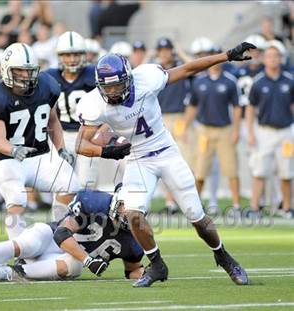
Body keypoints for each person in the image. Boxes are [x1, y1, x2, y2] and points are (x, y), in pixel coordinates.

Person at [75, 42, 256, 287]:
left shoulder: (147, 78)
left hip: (166, 152)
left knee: (197, 218)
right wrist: (106, 151)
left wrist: (226, 56)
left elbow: (188, 68)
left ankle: (223, 257)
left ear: (128, 78)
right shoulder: (94, 103)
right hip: (138, 157)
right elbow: (81, 145)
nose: (114, 91)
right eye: (108, 87)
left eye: (118, 84)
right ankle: (157, 264)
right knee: (132, 215)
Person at [0, 43, 79, 240]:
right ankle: (18, 247)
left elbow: (53, 121)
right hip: (5, 159)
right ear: (6, 70)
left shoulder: (47, 86)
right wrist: (14, 150)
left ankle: (58, 234)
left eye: (29, 71)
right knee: (17, 198)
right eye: (20, 71)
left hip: (39, 156)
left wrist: (60, 149)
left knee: (71, 183)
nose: (25, 75)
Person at [0, 189, 144, 282]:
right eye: (124, 206)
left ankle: (10, 272)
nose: (127, 212)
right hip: (50, 238)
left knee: (73, 267)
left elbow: (133, 269)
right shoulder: (93, 202)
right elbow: (62, 233)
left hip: (59, 260)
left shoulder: (134, 241)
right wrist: (88, 259)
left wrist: (147, 273)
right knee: (26, 243)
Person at [184, 47, 243, 215]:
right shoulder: (199, 81)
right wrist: (185, 128)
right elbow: (192, 106)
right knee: (200, 169)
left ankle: (237, 206)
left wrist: (236, 130)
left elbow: (237, 107)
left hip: (225, 129)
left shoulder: (230, 81)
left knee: (231, 169)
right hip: (204, 131)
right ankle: (195, 207)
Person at [46, 31, 99, 189]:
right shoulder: (50, 77)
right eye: (67, 55)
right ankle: (60, 214)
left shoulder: (93, 74)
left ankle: (87, 214)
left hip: (88, 134)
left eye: (76, 55)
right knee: (62, 183)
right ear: (59, 57)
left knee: (86, 184)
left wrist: (99, 132)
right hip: (63, 134)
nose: (72, 59)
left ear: (84, 55)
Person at [246, 45, 294, 219]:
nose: (273, 59)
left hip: (286, 132)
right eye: (269, 56)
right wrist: (250, 132)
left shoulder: (289, 81)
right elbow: (250, 108)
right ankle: (254, 207)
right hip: (264, 132)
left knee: (287, 172)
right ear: (264, 59)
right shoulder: (258, 82)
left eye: (276, 56)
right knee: (259, 171)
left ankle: (287, 208)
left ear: (280, 58)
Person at [156, 38, 194, 214]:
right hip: (160, 118)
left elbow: (196, 69)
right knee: (164, 161)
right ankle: (170, 202)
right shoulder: (154, 69)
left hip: (179, 118)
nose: (164, 53)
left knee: (184, 159)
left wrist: (180, 53)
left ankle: (184, 200)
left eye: (167, 49)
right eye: (161, 50)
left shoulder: (180, 67)